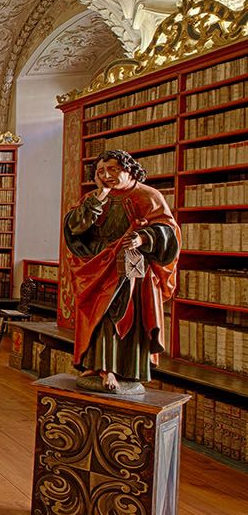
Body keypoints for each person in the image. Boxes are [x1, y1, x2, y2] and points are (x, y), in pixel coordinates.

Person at [64, 149, 180, 394]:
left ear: (129, 169)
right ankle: (96, 365)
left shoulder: (148, 196)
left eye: (113, 170)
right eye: (101, 172)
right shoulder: (93, 198)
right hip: (98, 268)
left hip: (131, 270)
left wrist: (143, 238)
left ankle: (120, 370)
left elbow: (168, 230)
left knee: (123, 317)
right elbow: (75, 228)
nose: (107, 175)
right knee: (98, 317)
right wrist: (99, 197)